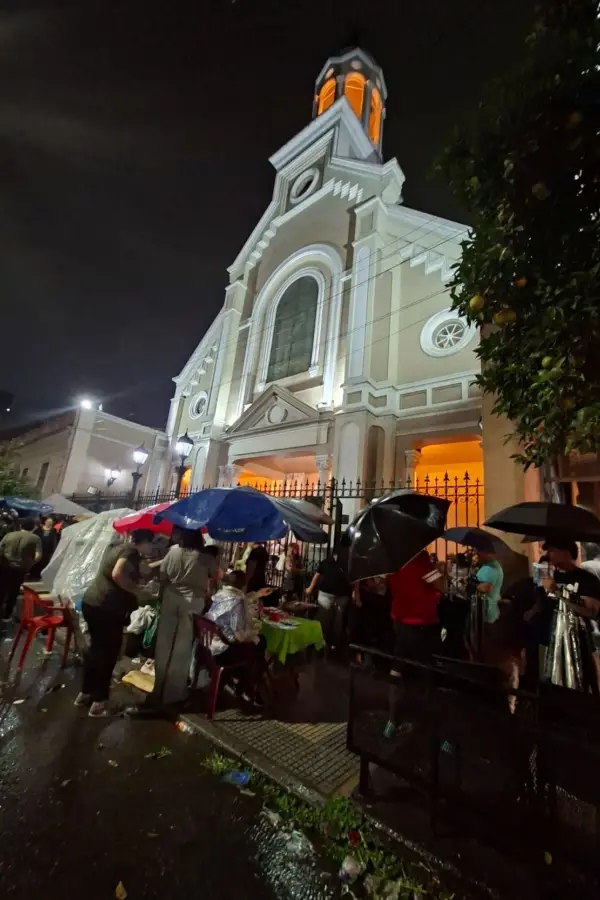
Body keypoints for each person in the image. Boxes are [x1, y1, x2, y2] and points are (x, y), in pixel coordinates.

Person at [134, 528, 217, 712]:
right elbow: (215, 577)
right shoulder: (206, 557)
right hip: (192, 602)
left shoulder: (172, 552)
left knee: (164, 646)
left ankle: (158, 690)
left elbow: (163, 578)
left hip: (170, 599)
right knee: (182, 649)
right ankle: (174, 694)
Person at [76, 528, 155, 717]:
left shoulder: (118, 547)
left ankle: (85, 694)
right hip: (106, 607)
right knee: (108, 653)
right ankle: (99, 703)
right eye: (152, 542)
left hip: (92, 602)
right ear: (143, 542)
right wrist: (137, 591)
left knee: (96, 650)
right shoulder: (130, 552)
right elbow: (118, 574)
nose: (152, 546)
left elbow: (137, 570)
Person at [205, 570, 270, 705]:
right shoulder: (237, 602)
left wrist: (258, 594)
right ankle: (247, 687)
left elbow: (241, 599)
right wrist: (254, 636)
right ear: (244, 585)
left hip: (209, 645)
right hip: (224, 651)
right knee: (260, 643)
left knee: (257, 649)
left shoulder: (220, 595)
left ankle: (244, 682)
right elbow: (239, 637)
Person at [387, 550, 444, 663]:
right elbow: (441, 586)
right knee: (424, 660)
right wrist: (440, 571)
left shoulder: (392, 558)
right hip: (420, 618)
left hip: (398, 614)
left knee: (400, 654)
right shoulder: (420, 558)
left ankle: (395, 674)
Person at [306, 549, 351, 650]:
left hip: (342, 595)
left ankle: (334, 643)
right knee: (323, 617)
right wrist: (311, 587)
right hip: (326, 594)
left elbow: (354, 579)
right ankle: (318, 640)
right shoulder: (326, 562)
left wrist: (356, 594)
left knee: (337, 620)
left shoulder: (347, 563)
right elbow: (317, 575)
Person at [0, 517, 42, 622]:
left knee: (2, 590)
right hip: (20, 568)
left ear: (20, 526)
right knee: (13, 592)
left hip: (5, 567)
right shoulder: (35, 538)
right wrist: (29, 564)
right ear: (33, 527)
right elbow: (38, 556)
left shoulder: (8, 535)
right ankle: (7, 615)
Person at [30, 516, 59, 580]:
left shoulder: (54, 531)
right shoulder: (38, 530)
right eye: (48, 522)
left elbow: (55, 541)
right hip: (38, 549)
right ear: (45, 522)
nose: (49, 523)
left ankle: (42, 576)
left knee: (45, 563)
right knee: (36, 562)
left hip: (48, 551)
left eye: (51, 522)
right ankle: (34, 576)